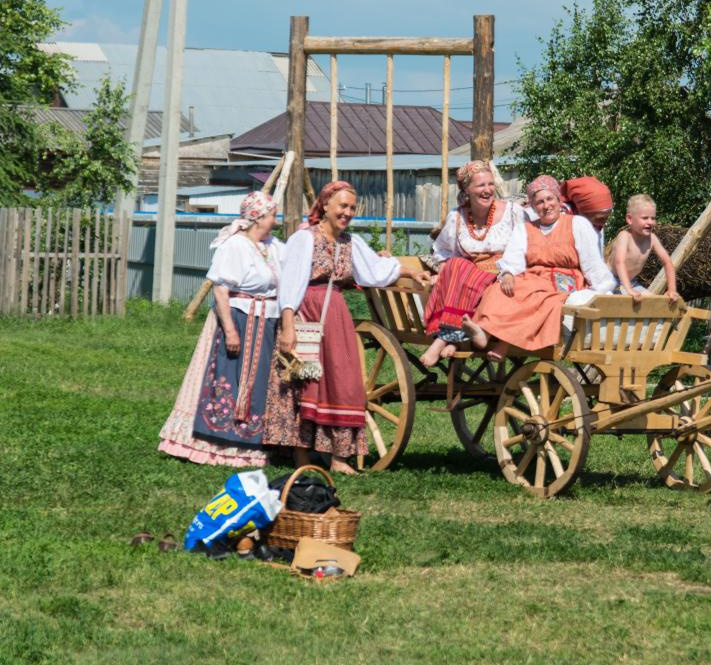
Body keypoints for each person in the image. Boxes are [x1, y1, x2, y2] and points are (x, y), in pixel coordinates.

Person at [276, 181, 423, 474]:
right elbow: (290, 282)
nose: (347, 213)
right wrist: (288, 326)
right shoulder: (305, 239)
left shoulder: (350, 242)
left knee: (344, 383)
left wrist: (408, 270)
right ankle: (302, 456)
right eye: (342, 206)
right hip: (309, 313)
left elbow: (375, 271)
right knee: (307, 382)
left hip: (336, 317)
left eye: (352, 208)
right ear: (326, 205)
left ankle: (339, 458)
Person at [158, 191, 293, 468]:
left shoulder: (275, 246)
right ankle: (220, 442)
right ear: (257, 217)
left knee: (261, 384)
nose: (275, 220)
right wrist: (230, 330)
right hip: (240, 318)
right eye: (272, 215)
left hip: (267, 321)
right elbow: (221, 289)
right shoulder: (235, 246)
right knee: (228, 377)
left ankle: (256, 443)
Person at [464, 174, 616, 355]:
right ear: (533, 207)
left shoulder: (577, 224)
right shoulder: (525, 229)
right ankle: (485, 333)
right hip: (532, 278)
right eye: (540, 202)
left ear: (558, 200)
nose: (546, 206)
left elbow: (592, 262)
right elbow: (514, 258)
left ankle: (503, 345)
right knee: (499, 290)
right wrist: (508, 274)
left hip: (563, 283)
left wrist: (599, 289)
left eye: (550, 199)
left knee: (540, 299)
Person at [418, 160, 524, 368]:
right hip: (470, 277)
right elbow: (441, 251)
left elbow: (528, 246)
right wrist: (444, 271)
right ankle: (457, 337)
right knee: (457, 266)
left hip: (505, 274)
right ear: (467, 190)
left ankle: (444, 340)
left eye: (490, 184)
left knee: (463, 271)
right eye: (481, 186)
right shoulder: (456, 218)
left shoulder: (513, 213)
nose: (487, 190)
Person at [610, 194, 679, 302]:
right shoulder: (625, 236)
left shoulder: (652, 239)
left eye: (653, 218)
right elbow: (619, 262)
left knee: (653, 304)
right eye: (645, 218)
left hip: (631, 282)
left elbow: (668, 263)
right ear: (629, 219)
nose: (650, 222)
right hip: (611, 280)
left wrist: (672, 289)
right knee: (619, 304)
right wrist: (628, 290)